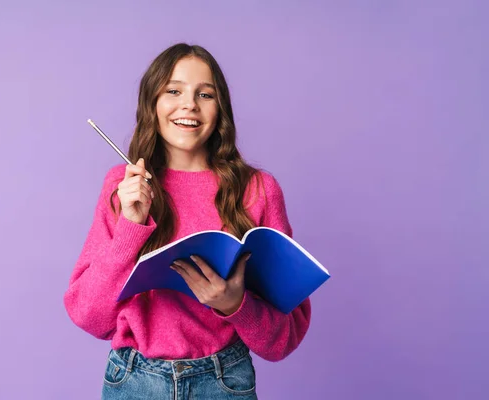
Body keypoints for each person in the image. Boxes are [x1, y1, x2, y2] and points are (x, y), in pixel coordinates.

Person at [64, 43, 311, 399]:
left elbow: (285, 337)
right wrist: (131, 228)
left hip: (225, 381)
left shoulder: (258, 190)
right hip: (134, 382)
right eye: (174, 90)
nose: (189, 105)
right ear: (152, 102)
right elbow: (89, 316)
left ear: (220, 108)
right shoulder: (124, 186)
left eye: (205, 94)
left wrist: (235, 306)